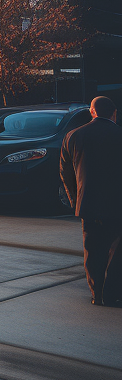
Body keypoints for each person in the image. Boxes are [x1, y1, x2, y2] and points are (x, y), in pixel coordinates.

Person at [60, 96, 122, 306]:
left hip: (87, 204)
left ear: (92, 112)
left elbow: (65, 173)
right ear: (114, 113)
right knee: (116, 252)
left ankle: (97, 294)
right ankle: (112, 294)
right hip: (117, 205)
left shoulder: (73, 136)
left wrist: (74, 200)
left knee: (93, 251)